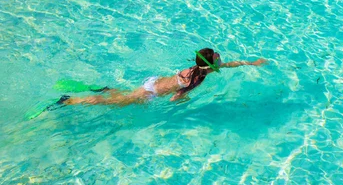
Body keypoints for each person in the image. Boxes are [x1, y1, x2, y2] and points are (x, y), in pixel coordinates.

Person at [63, 48, 267, 106]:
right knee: (114, 103)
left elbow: (229, 64)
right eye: (216, 56)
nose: (219, 55)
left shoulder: (198, 69)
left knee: (122, 95)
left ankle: (96, 87)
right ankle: (70, 100)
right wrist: (183, 102)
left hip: (155, 82)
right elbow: (174, 97)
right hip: (152, 91)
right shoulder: (196, 79)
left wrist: (252, 63)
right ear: (211, 64)